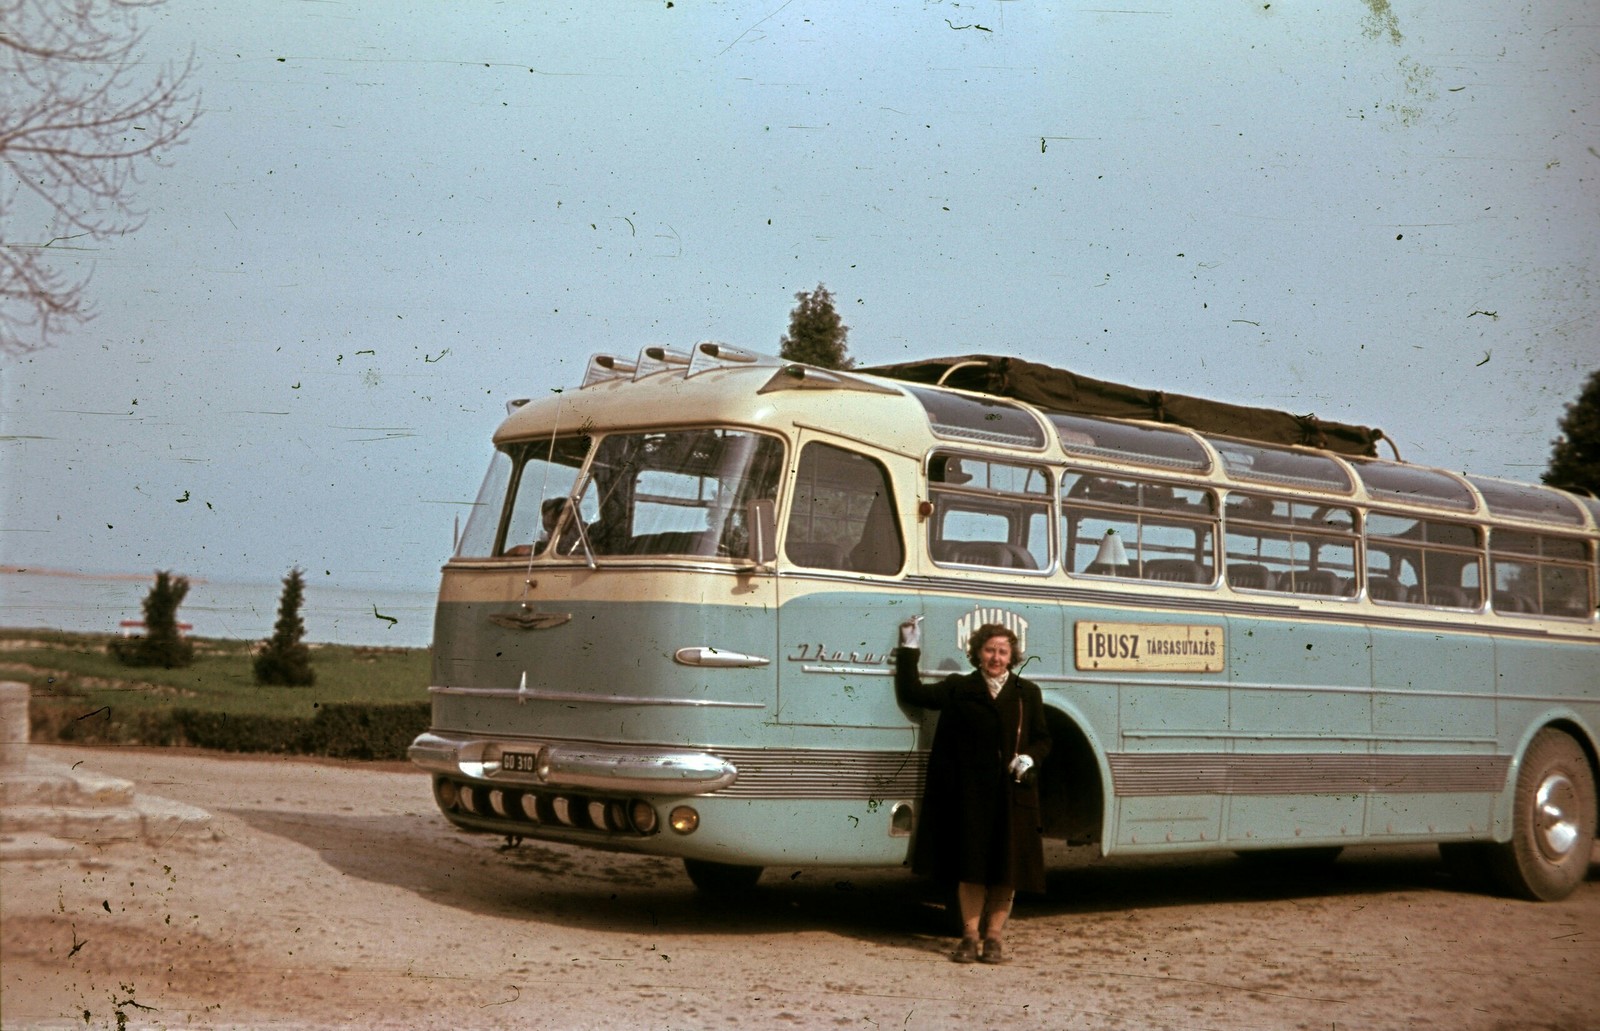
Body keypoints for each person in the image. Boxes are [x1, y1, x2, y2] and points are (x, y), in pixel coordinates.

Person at [895, 616, 1051, 964]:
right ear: (978, 653)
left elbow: (1043, 739)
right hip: (970, 798)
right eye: (989, 650)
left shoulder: (1028, 693)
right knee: (971, 870)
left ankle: (993, 938)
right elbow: (913, 692)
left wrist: (1029, 757)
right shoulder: (958, 688)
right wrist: (909, 648)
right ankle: (969, 937)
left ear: (1012, 656)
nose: (996, 658)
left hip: (1012, 796)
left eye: (1002, 651)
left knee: (1005, 871)